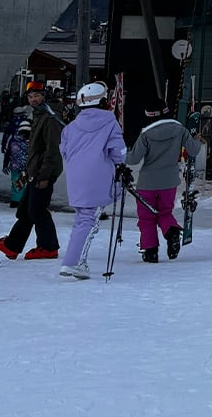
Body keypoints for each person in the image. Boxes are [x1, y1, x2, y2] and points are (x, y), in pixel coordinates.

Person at [57, 82, 127, 280]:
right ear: (104, 102)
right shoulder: (110, 123)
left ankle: (73, 261)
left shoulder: (71, 127)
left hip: (75, 177)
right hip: (98, 177)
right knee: (89, 220)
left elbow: (63, 149)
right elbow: (119, 152)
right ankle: (73, 263)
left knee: (81, 218)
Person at [0, 80, 63, 261]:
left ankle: (48, 247)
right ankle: (12, 245)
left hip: (43, 173)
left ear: (44, 96)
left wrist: (44, 175)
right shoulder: (39, 115)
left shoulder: (49, 118)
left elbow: (52, 150)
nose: (33, 99)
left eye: (37, 96)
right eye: (30, 96)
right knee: (25, 211)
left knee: (37, 211)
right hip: (35, 172)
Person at [125, 100, 202, 262]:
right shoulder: (180, 130)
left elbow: (133, 159)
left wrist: (119, 152)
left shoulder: (146, 134)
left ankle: (150, 251)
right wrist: (197, 140)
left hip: (147, 182)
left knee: (147, 217)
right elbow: (193, 150)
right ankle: (172, 231)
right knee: (164, 212)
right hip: (170, 181)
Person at [2, 117, 32, 206]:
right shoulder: (32, 141)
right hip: (28, 166)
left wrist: (5, 165)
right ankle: (24, 200)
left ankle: (15, 201)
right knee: (26, 183)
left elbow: (8, 153)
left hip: (15, 166)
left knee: (16, 183)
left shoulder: (13, 140)